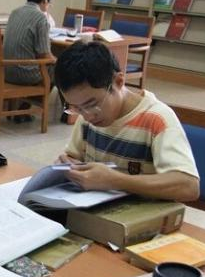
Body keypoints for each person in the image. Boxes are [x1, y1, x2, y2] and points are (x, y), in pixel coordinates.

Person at [54, 41, 199, 202]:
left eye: (92, 104)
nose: (87, 117)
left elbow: (189, 186)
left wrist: (114, 180)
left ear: (118, 81)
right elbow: (73, 156)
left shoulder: (157, 119)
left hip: (141, 213)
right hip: (93, 209)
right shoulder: (87, 114)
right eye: (76, 108)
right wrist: (68, 164)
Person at [3, 0, 56, 86]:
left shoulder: (14, 12)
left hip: (6, 71)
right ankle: (47, 97)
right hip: (26, 74)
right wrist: (58, 61)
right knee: (63, 69)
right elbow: (45, 55)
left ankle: (36, 96)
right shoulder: (41, 18)